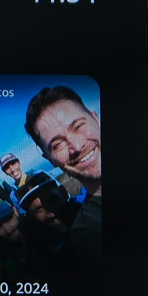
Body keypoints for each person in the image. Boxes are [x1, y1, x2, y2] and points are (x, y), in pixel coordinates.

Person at [24, 86, 101, 263]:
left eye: (79, 126)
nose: (76, 146)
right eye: (57, 144)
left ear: (95, 118)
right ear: (49, 159)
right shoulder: (88, 232)